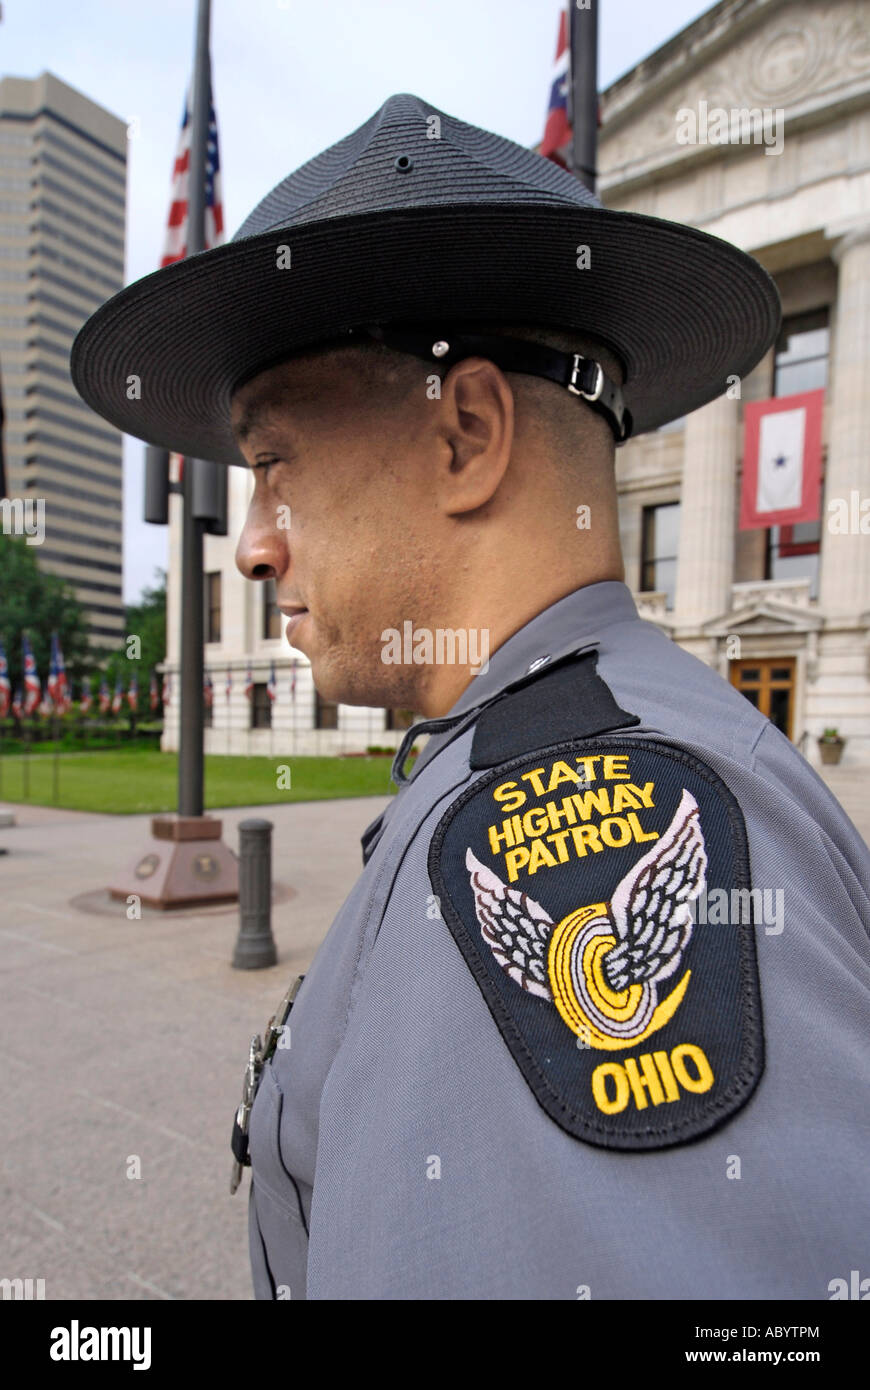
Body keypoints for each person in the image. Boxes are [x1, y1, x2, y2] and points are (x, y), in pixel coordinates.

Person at [71, 94, 870, 1301]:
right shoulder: (623, 743)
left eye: (274, 462)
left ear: (467, 434)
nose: (250, 544)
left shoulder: (569, 818)